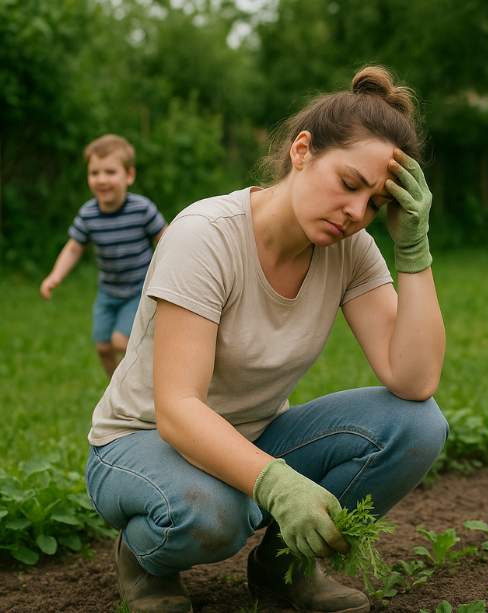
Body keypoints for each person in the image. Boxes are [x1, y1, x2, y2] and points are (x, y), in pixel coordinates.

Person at [84, 66, 448, 613]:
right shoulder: (205, 235)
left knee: (418, 426)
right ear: (302, 150)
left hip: (254, 435)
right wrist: (277, 484)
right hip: (140, 443)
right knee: (212, 516)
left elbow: (414, 379)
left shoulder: (350, 251)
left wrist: (414, 249)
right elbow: (178, 409)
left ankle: (283, 569)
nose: (356, 213)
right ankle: (145, 559)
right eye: (349, 183)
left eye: (375, 204)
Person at [40, 134, 167, 377]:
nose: (102, 179)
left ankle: (148, 377)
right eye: (95, 173)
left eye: (110, 172)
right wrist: (55, 276)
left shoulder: (141, 209)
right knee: (103, 347)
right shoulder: (88, 214)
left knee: (120, 341)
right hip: (108, 292)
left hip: (138, 289)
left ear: (129, 175)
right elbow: (74, 247)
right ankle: (117, 388)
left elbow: (165, 237)